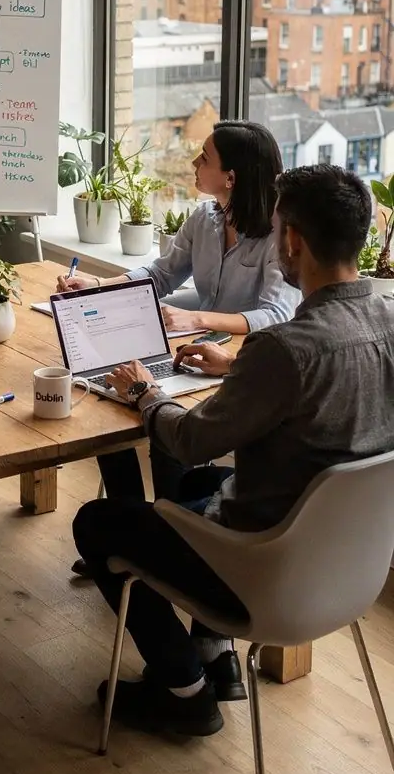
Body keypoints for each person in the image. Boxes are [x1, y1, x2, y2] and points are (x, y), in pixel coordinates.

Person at [72, 164, 394, 738]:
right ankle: (216, 654)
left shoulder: (283, 348)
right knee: (198, 492)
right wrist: (239, 365)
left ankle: (184, 690)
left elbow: (190, 441)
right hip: (351, 568)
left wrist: (144, 393)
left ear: (292, 238)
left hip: (261, 569)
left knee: (98, 522)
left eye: (275, 231)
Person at [63, 122, 299, 537]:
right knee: (110, 400)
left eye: (204, 157)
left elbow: (276, 313)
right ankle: (133, 525)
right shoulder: (205, 218)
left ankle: (165, 532)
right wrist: (100, 286)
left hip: (242, 366)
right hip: (197, 356)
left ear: (231, 177)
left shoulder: (276, 235)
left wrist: (198, 319)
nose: (193, 162)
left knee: (164, 426)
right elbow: (162, 274)